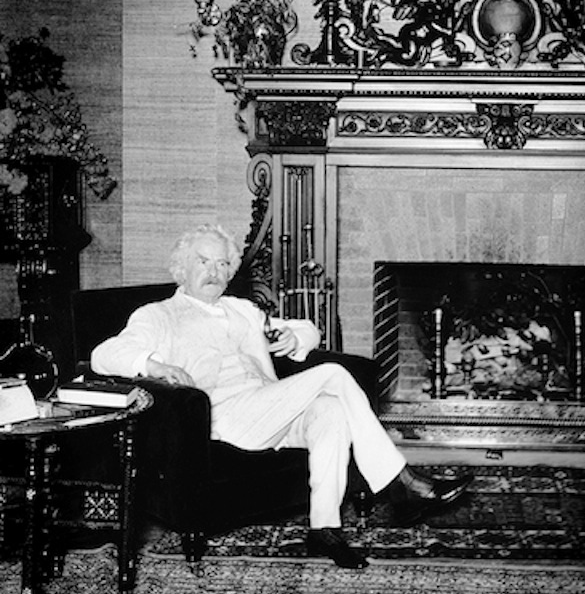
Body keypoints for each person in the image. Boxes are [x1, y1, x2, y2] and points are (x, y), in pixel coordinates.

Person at [91, 223, 471, 569]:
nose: (214, 272)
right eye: (203, 261)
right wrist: (154, 366)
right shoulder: (159, 315)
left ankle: (324, 528)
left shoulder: (242, 310)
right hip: (221, 418)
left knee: (330, 411)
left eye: (223, 264)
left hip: (269, 407)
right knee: (333, 375)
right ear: (181, 268)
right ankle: (398, 481)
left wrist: (295, 339)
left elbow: (307, 331)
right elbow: (103, 355)